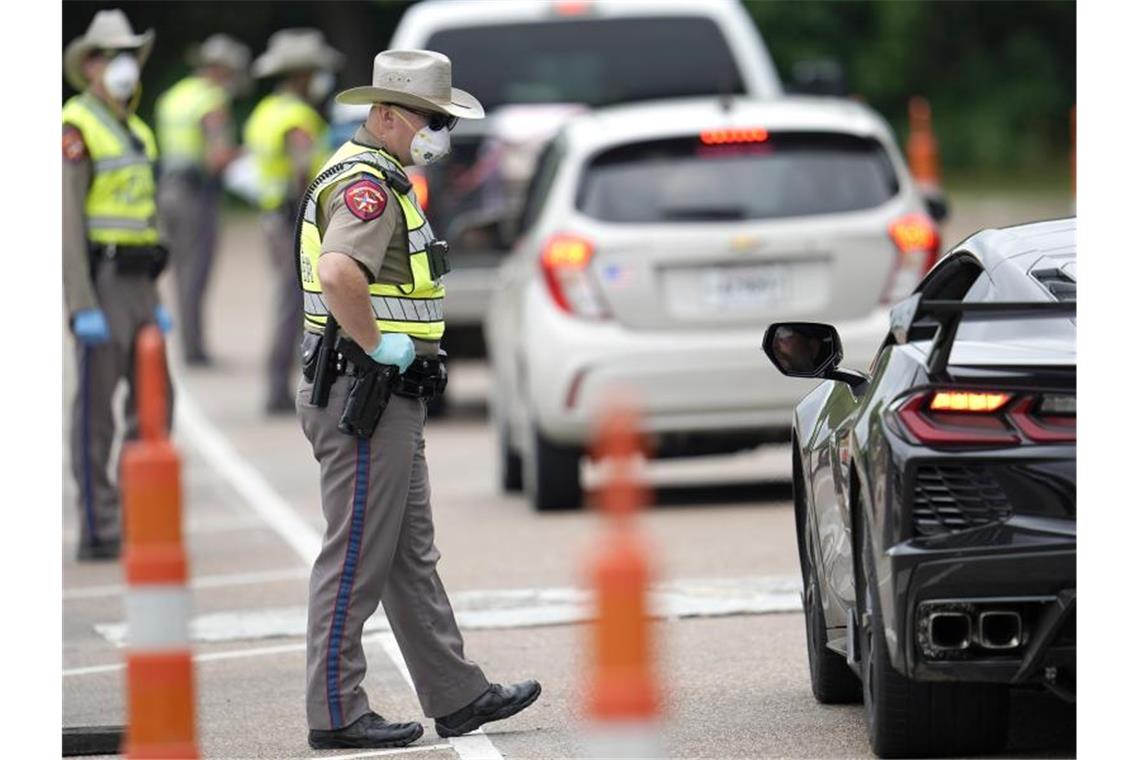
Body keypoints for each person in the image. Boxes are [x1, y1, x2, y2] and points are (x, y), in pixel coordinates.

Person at [295, 50, 541, 750]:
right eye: (433, 119)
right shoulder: (367, 185)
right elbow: (340, 271)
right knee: (355, 560)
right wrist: (377, 344)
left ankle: (457, 695)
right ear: (388, 115)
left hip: (378, 393)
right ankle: (336, 712)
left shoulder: (382, 176)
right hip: (364, 391)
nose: (441, 132)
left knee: (407, 556)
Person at [62, 9, 173, 561]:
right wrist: (80, 301)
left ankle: (139, 512)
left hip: (139, 282)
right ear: (90, 65)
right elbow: (65, 221)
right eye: (112, 54)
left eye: (129, 52)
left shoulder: (137, 126)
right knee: (96, 412)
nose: (123, 64)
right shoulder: (76, 127)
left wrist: (156, 297)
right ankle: (98, 525)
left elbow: (146, 215)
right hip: (101, 282)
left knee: (155, 401)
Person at [244, 29, 341, 413]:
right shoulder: (298, 119)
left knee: (288, 300)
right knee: (295, 302)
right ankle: (281, 388)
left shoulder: (267, 111)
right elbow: (304, 172)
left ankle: (284, 384)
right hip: (294, 220)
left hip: (274, 216)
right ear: (303, 75)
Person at [155, 33, 250, 366]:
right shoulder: (212, 103)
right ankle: (193, 349)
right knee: (194, 272)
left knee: (179, 269)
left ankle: (187, 343)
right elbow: (217, 157)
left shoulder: (174, 96)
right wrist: (248, 156)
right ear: (221, 70)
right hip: (196, 195)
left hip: (167, 190)